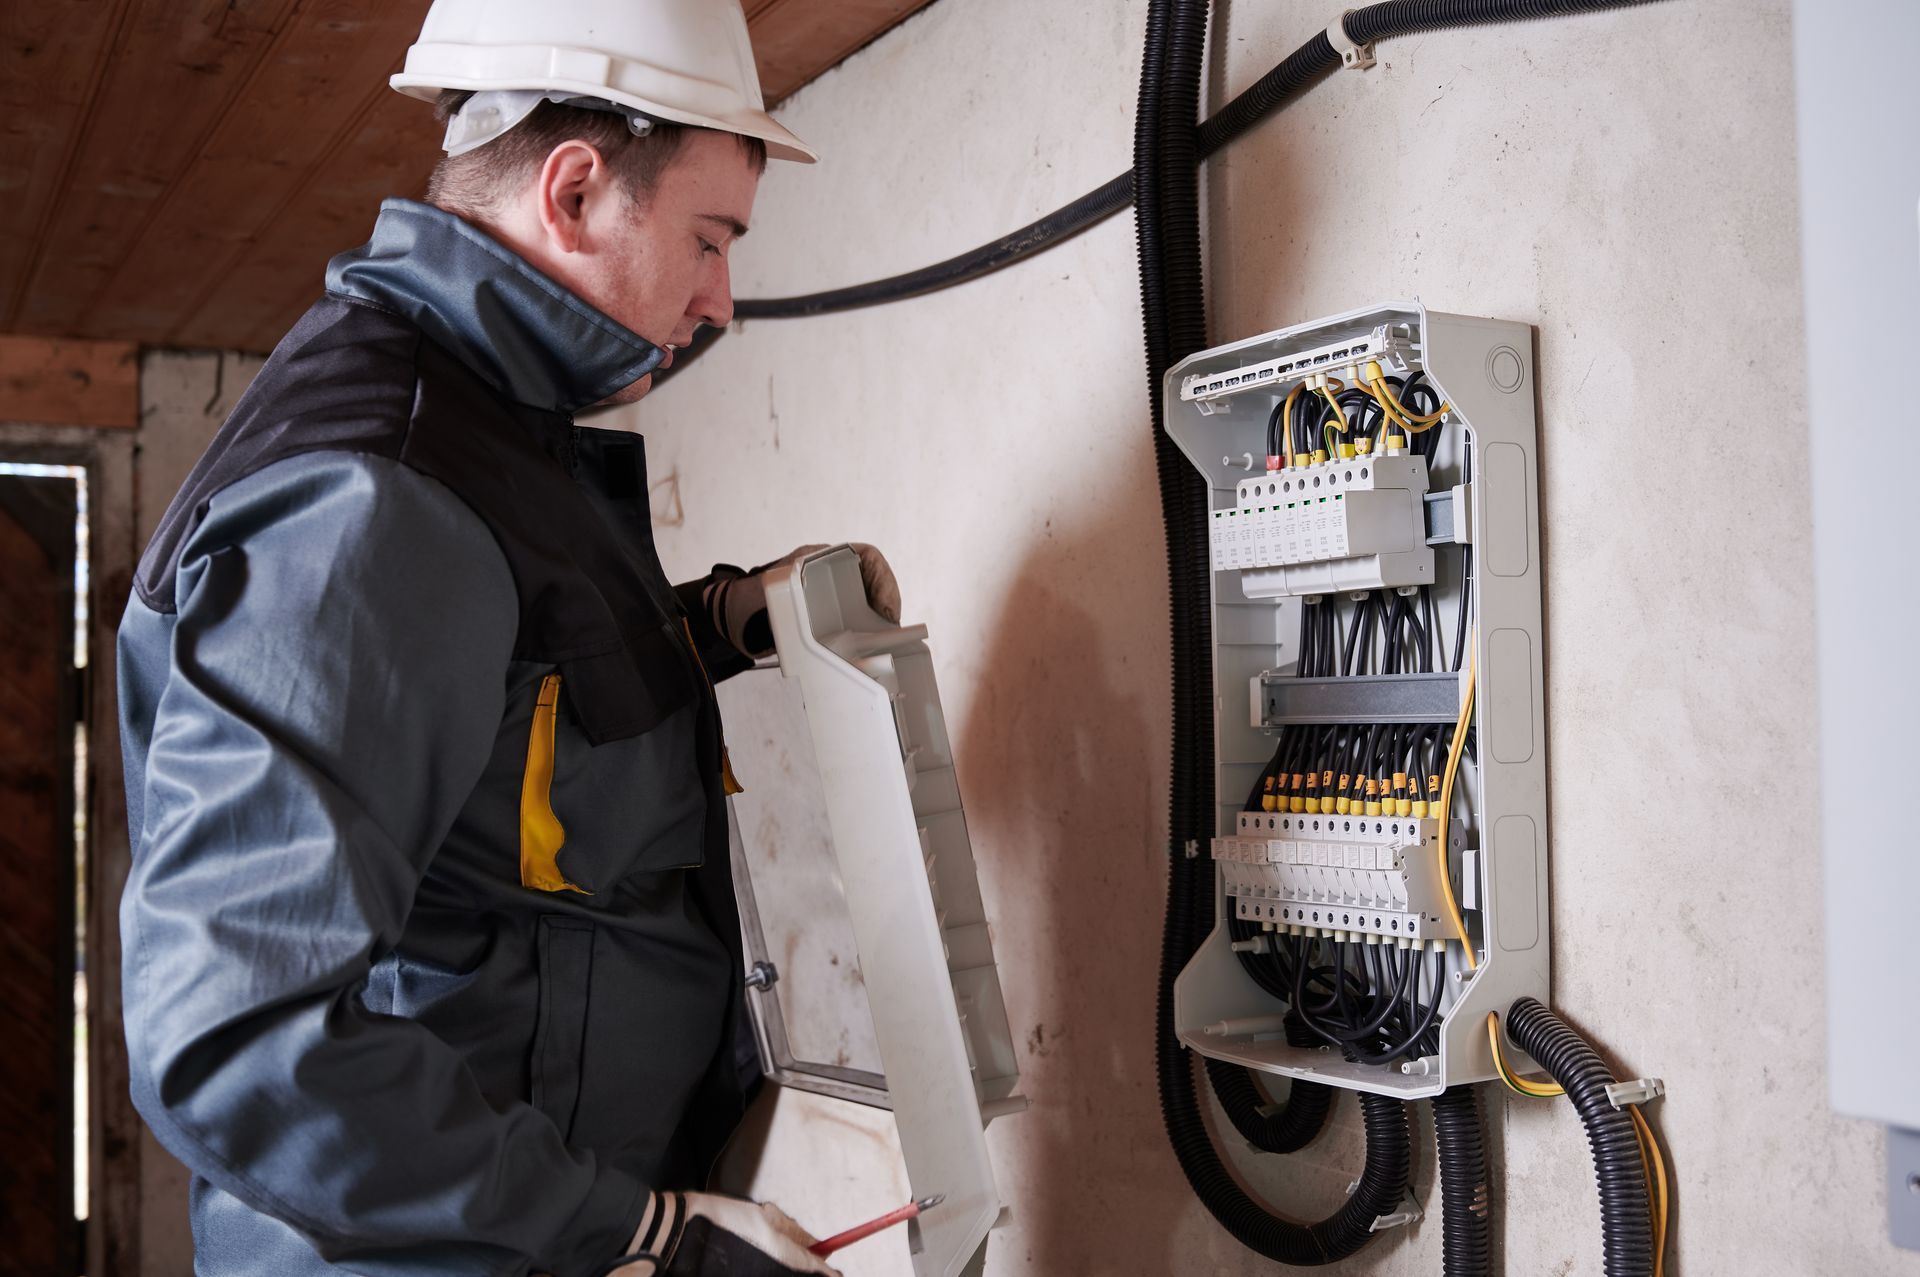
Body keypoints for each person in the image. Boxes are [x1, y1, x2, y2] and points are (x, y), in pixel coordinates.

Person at [115, 2, 897, 1273]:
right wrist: (640, 1233)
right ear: (578, 190)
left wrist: (720, 624)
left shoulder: (485, 433)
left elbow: (510, 723)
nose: (722, 299)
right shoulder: (374, 497)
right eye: (709, 239)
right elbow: (236, 1045)